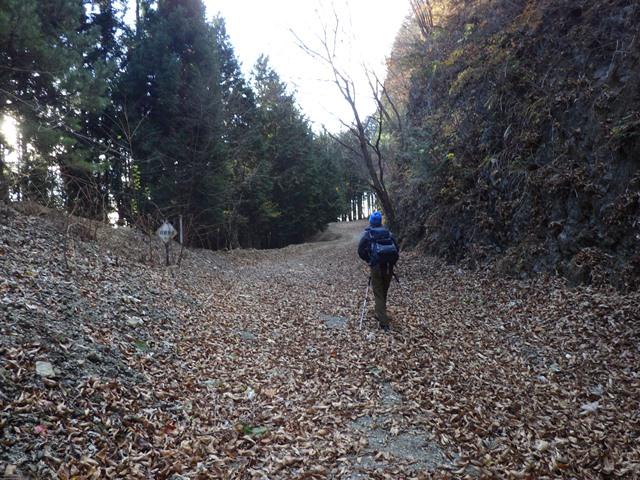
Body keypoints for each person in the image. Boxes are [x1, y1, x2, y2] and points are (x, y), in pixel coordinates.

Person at [357, 211, 399, 331]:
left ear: (371, 222)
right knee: (383, 291)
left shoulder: (368, 234)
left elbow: (360, 251)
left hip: (376, 267)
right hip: (389, 267)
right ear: (380, 221)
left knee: (378, 293)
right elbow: (397, 249)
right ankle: (380, 312)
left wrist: (369, 260)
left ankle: (383, 322)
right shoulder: (388, 233)